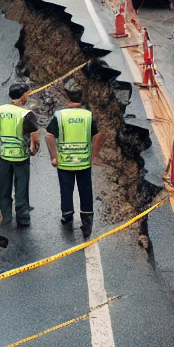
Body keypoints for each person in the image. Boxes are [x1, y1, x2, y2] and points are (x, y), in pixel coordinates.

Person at [45, 85, 103, 237]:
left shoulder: (60, 115)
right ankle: (87, 219)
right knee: (85, 190)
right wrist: (93, 156)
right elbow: (98, 136)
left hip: (65, 162)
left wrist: (54, 156)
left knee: (66, 189)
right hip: (83, 161)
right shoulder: (88, 115)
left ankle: (67, 215)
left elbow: (49, 135)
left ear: (67, 98)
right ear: (81, 98)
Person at [0, 83, 40, 228]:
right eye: (26, 93)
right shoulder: (26, 114)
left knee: (5, 187)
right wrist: (34, 150)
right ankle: (22, 217)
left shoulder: (0, 111)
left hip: (5, 156)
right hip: (21, 157)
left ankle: (5, 217)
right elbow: (35, 136)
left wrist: (0, 145)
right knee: (21, 186)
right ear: (23, 95)